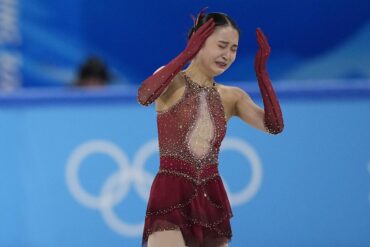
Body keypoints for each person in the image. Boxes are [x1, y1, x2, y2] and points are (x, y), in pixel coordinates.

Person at [137, 9, 284, 247]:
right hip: (171, 190)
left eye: (233, 49)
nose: (227, 55)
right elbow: (144, 96)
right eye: (221, 45)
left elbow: (274, 126)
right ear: (199, 42)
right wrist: (186, 55)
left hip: (211, 193)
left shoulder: (233, 97)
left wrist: (262, 73)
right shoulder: (172, 82)